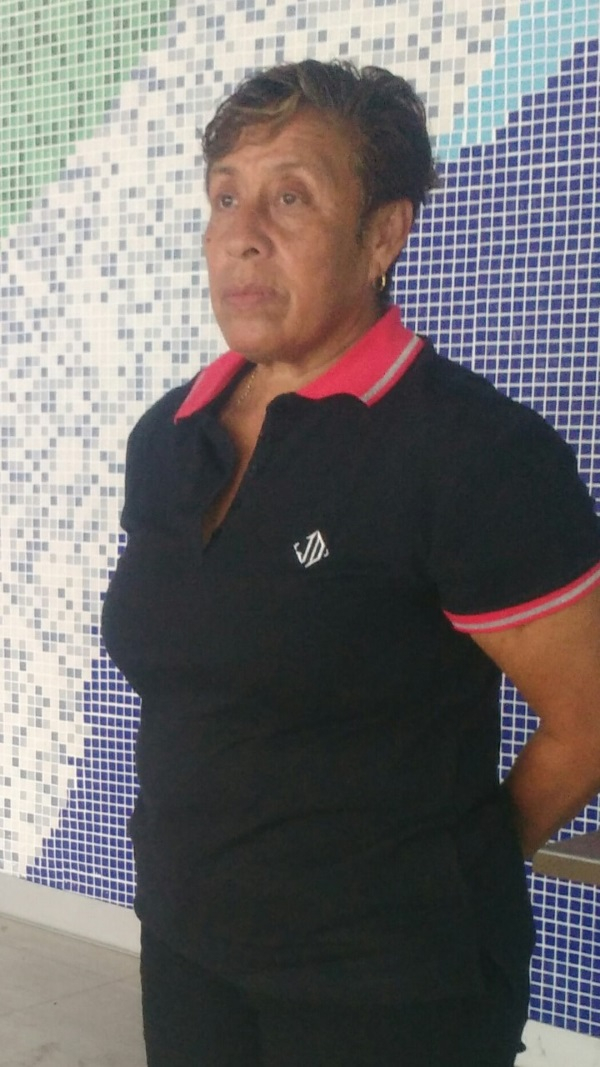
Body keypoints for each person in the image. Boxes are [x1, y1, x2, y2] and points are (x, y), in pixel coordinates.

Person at [101, 59, 600, 1067]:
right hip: (190, 945)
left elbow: (588, 718)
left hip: (390, 984)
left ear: (383, 234)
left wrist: (452, 864)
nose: (243, 233)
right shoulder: (171, 436)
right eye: (226, 197)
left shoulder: (473, 455)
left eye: (291, 196)